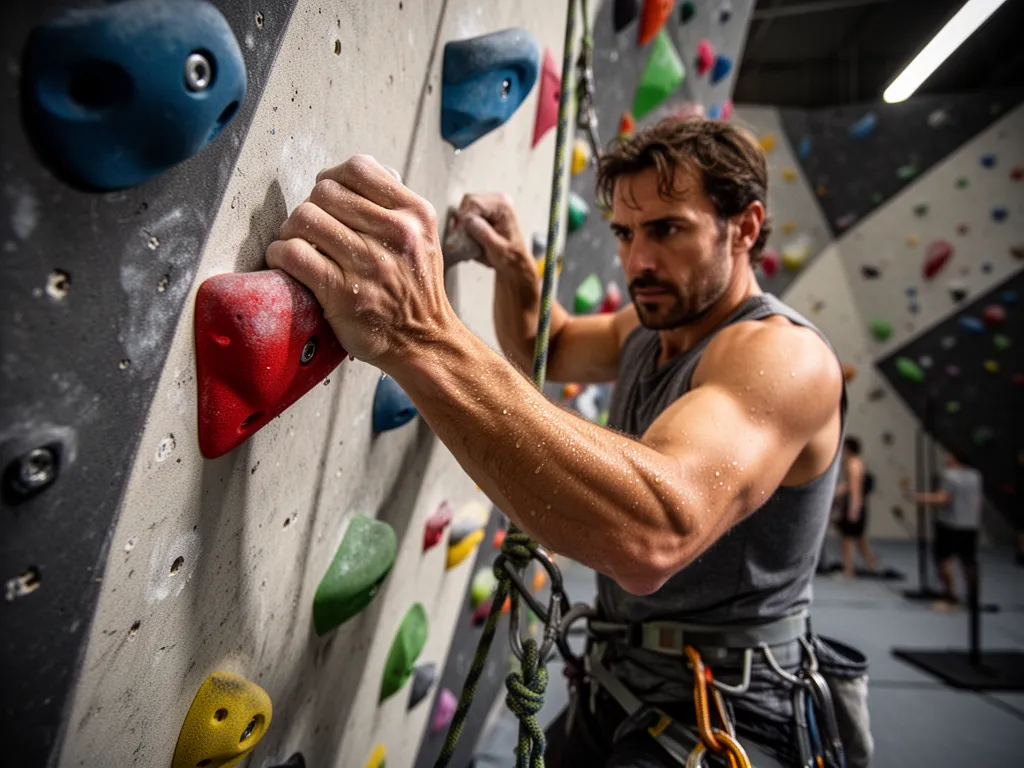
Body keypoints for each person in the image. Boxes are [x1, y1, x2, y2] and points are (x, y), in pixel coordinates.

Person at [265, 117, 871, 766]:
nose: (638, 261)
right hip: (624, 678)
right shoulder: (649, 324)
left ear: (745, 227)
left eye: (668, 229)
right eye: (625, 233)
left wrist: (421, 334)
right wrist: (513, 262)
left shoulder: (785, 357)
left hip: (729, 707)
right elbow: (543, 346)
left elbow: (655, 532)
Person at [909, 450, 983, 608]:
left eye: (949, 456)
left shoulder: (949, 476)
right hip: (970, 525)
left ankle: (950, 593)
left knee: (944, 559)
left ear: (956, 458)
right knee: (968, 561)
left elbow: (943, 498)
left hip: (950, 525)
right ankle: (973, 595)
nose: (946, 459)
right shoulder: (975, 475)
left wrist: (919, 497)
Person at [833, 437, 880, 578]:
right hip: (858, 504)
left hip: (854, 505)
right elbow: (848, 485)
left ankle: (848, 570)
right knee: (860, 538)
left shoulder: (853, 464)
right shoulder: (857, 463)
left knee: (847, 540)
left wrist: (854, 509)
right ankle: (872, 564)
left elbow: (855, 489)